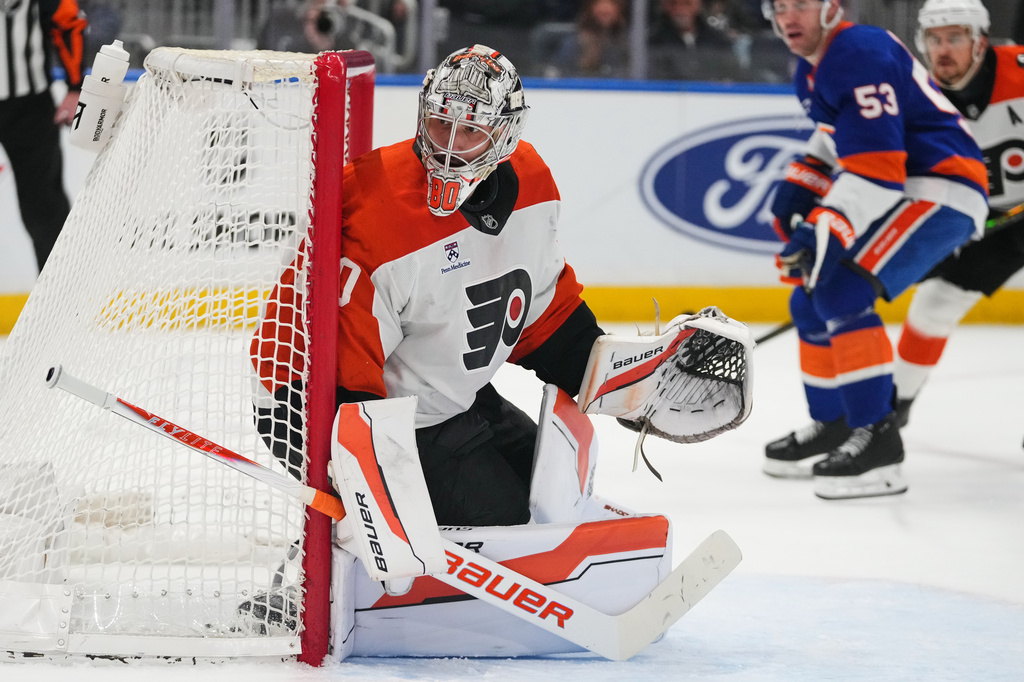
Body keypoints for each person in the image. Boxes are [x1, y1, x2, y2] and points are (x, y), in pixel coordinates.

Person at [250, 44, 751, 527]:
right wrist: (370, 483)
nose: (447, 146)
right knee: (509, 522)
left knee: (553, 489)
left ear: (505, 135)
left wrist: (627, 389)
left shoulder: (531, 183)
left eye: (469, 131)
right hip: (307, 401)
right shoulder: (377, 211)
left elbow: (542, 316)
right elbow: (338, 365)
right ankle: (319, 586)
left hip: (435, 397)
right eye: (440, 122)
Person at [761, 0, 988, 499]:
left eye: (801, 4)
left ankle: (880, 446)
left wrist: (825, 222)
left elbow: (878, 170)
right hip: (910, 184)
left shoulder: (859, 50)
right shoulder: (815, 67)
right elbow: (839, 137)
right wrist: (806, 178)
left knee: (841, 293)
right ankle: (838, 425)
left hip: (943, 188)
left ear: (831, 8)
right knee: (809, 300)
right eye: (780, 6)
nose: (788, 17)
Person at [892, 0, 1024, 428]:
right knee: (933, 306)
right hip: (987, 224)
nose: (943, 49)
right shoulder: (916, 99)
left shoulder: (1020, 71)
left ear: (980, 41)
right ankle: (891, 415)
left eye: (955, 38)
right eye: (934, 39)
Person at [0, 0, 87, 272]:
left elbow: (68, 21)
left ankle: (59, 304)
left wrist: (75, 87)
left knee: (45, 209)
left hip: (29, 107)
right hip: (29, 104)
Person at [648, 0, 743, 81]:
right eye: (673, 4)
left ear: (698, 5)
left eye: (687, 4)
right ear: (665, 6)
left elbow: (735, 74)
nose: (680, 10)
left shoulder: (717, 40)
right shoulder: (654, 41)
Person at [551, 0, 632, 78]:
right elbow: (560, 74)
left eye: (612, 3)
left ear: (620, 9)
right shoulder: (574, 42)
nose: (605, 8)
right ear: (589, 8)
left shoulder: (631, 43)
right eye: (598, 3)